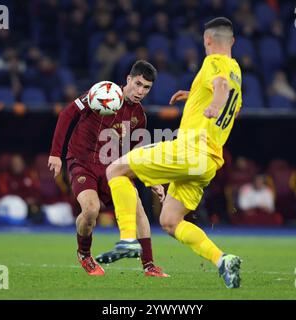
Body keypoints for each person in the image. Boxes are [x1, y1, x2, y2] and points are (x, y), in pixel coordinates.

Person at [106, 17, 243, 288]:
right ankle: (222, 260)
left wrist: (213, 104)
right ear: (233, 42)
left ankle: (128, 240)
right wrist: (194, 96)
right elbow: (233, 105)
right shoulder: (236, 71)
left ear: (207, 40)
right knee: (170, 220)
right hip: (209, 161)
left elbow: (220, 89)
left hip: (190, 150)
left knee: (115, 169)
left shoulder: (214, 61)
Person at [48, 60, 168, 277]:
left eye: (146, 88)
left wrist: (152, 180)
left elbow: (135, 155)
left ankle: (149, 266)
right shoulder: (103, 92)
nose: (140, 91)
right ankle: (84, 254)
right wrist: (56, 154)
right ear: (128, 79)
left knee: (137, 209)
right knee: (91, 210)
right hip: (82, 161)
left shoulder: (139, 116)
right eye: (138, 84)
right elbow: (67, 114)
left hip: (112, 168)